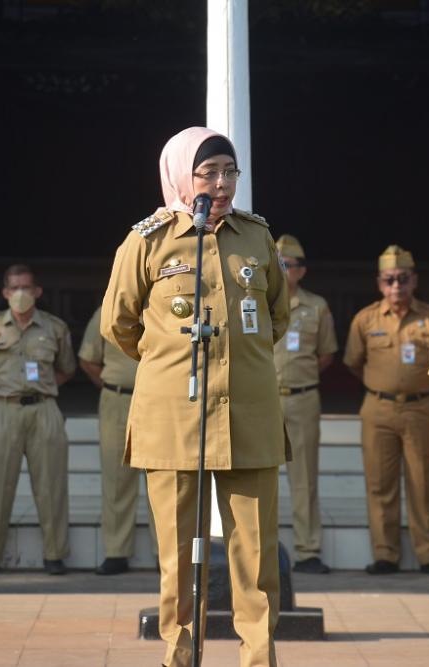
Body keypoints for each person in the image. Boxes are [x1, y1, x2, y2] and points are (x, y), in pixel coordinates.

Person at [101, 127, 289, 667]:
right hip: (174, 415)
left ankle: (259, 658)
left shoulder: (257, 236)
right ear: (182, 175)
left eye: (230, 172)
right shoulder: (148, 241)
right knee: (177, 555)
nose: (221, 184)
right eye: (208, 173)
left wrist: (238, 360)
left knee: (256, 559)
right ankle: (179, 656)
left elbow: (277, 316)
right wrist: (168, 360)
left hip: (248, 413)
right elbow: (118, 323)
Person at [343, 245, 429, 576]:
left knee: (423, 481)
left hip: (419, 408)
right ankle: (385, 553)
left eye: (403, 278)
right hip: (378, 408)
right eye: (389, 279)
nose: (396, 286)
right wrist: (384, 385)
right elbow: (354, 363)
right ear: (379, 283)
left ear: (414, 280)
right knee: (380, 483)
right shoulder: (365, 319)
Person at [0, 264, 76, 576]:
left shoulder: (55, 327)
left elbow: (66, 368)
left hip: (44, 408)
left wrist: (42, 387)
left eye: (26, 288)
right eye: (14, 288)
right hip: (2, 408)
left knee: (51, 485)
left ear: (37, 291)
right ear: (5, 293)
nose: (20, 294)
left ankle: (55, 554)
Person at [273, 233, 337, 575]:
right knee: (257, 478)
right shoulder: (257, 303)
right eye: (277, 263)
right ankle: (258, 551)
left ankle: (308, 550)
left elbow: (326, 355)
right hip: (264, 402)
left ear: (302, 270)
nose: (282, 270)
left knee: (304, 478)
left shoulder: (317, 307)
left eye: (288, 264)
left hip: (302, 399)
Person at [78, 306, 157, 575]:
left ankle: (166, 554)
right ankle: (116, 552)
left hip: (158, 400)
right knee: (116, 478)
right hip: (117, 399)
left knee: (162, 478)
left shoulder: (166, 305)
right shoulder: (107, 309)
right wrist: (113, 386)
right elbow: (88, 359)